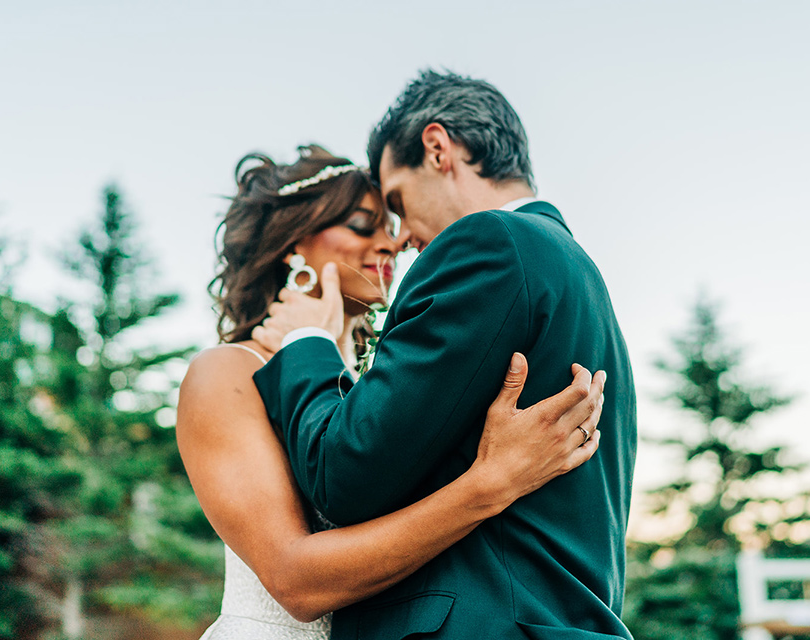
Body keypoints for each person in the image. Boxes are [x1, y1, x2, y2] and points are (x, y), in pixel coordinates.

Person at [252, 71, 637, 639]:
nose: (403, 236)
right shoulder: (578, 277)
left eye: (398, 203)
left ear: (437, 148)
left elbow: (346, 474)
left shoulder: (491, 243)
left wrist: (305, 344)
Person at [176, 145, 608, 640]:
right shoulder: (228, 372)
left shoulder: (373, 392)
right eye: (364, 224)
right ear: (293, 243)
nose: (394, 242)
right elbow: (295, 581)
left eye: (392, 223)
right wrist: (492, 482)